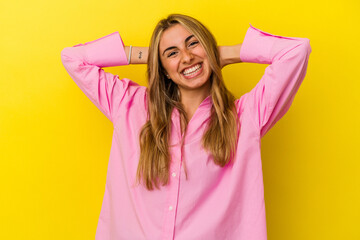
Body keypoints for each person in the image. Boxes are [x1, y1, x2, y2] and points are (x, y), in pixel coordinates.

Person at [61, 13, 311, 240]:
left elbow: (297, 51)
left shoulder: (247, 116)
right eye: (171, 52)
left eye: (193, 43)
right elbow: (72, 58)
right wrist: (152, 58)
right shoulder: (128, 105)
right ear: (163, 69)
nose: (187, 56)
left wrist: (219, 54)